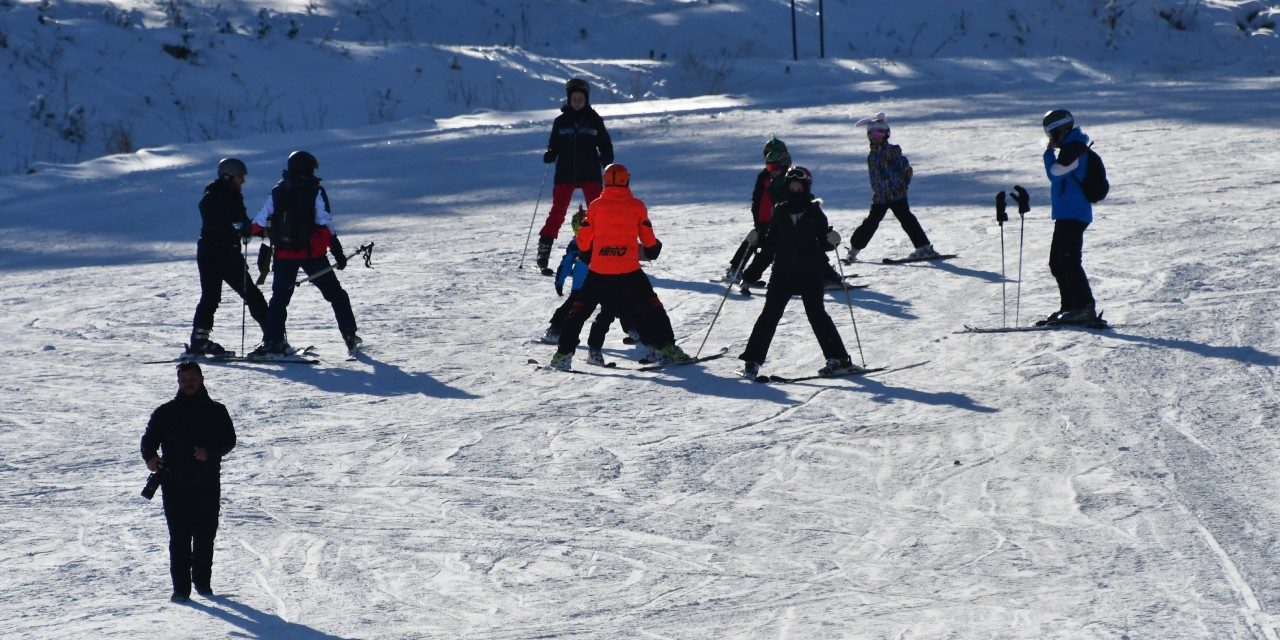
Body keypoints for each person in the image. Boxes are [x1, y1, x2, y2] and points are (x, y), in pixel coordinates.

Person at [549, 164, 688, 370]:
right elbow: (649, 241)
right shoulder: (637, 206)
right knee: (652, 307)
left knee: (579, 312)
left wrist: (591, 251)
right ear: (627, 180)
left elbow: (584, 241)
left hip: (599, 271)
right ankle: (667, 347)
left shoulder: (595, 206)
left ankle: (563, 355)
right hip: (629, 270)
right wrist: (653, 250)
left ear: (606, 180)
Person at [738, 166, 858, 379]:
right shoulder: (781, 211)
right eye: (791, 187)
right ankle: (752, 360)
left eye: (798, 187)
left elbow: (824, 243)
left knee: (817, 315)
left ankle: (838, 359)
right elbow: (770, 245)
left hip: (809, 273)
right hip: (782, 273)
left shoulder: (815, 214)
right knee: (769, 315)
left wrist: (833, 241)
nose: (795, 191)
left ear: (806, 188)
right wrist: (751, 264)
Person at [140, 361, 236, 603]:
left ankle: (203, 584)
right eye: (184, 380)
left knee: (205, 537)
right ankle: (181, 589)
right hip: (175, 485)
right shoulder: (166, 412)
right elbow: (149, 438)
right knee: (179, 538)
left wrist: (210, 451)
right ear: (178, 382)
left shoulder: (216, 410)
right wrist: (150, 458)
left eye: (192, 378)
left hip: (207, 484)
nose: (189, 383)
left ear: (202, 379)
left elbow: (229, 439)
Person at [248, 151, 360, 357]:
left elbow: (259, 222)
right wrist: (337, 251)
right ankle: (349, 335)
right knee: (336, 294)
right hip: (313, 255)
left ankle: (272, 342)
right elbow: (325, 223)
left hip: (283, 256)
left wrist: (251, 231)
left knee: (279, 300)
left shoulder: (277, 190)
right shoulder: (315, 190)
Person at [187, 158, 269, 356]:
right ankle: (200, 341)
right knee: (213, 296)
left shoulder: (233, 195)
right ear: (228, 175)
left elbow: (240, 222)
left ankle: (272, 336)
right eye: (240, 177)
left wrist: (259, 231)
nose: (243, 181)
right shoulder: (212, 197)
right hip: (214, 253)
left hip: (227, 251)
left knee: (250, 294)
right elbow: (224, 224)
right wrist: (243, 228)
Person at [537, 78, 614, 273]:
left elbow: (605, 144)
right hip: (565, 174)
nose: (577, 102)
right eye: (574, 98)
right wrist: (550, 153)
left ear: (586, 99)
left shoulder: (595, 120)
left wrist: (607, 159)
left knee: (598, 212)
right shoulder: (560, 121)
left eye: (580, 98)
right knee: (558, 212)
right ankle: (544, 249)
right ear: (569, 99)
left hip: (590, 173)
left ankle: (602, 249)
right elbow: (553, 144)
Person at [844, 113, 939, 263]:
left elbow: (906, 169)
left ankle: (924, 247)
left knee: (906, 219)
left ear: (886, 133)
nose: (876, 136)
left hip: (896, 194)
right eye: (873, 133)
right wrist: (877, 189)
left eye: (880, 132)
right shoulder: (872, 156)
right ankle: (854, 249)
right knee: (871, 223)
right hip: (881, 197)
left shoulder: (893, 151)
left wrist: (902, 185)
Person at [1041, 108, 1098, 323]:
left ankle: (1084, 307)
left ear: (1060, 131)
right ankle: (1070, 307)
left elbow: (1054, 174)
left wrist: (1047, 153)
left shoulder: (1075, 149)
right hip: (1066, 213)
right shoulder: (1069, 148)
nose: (1050, 140)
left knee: (1069, 261)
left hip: (1075, 213)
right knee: (1057, 262)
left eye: (1051, 135)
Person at [723, 136, 790, 287]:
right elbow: (757, 199)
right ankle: (735, 269)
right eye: (769, 165)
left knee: (772, 248)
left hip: (779, 219)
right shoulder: (763, 176)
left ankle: (750, 274)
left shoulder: (790, 175)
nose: (771, 169)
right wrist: (757, 220)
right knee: (754, 241)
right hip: (764, 218)